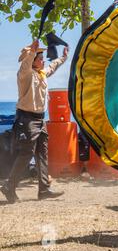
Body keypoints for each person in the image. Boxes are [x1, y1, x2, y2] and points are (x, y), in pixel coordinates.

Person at [0, 40, 68, 204]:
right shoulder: (25, 74)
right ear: (33, 60)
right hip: (26, 118)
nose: (43, 61)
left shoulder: (41, 73)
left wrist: (63, 58)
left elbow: (52, 66)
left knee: (42, 153)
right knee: (27, 152)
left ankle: (44, 189)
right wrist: (31, 52)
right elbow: (26, 63)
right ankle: (10, 185)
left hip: (39, 118)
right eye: (40, 58)